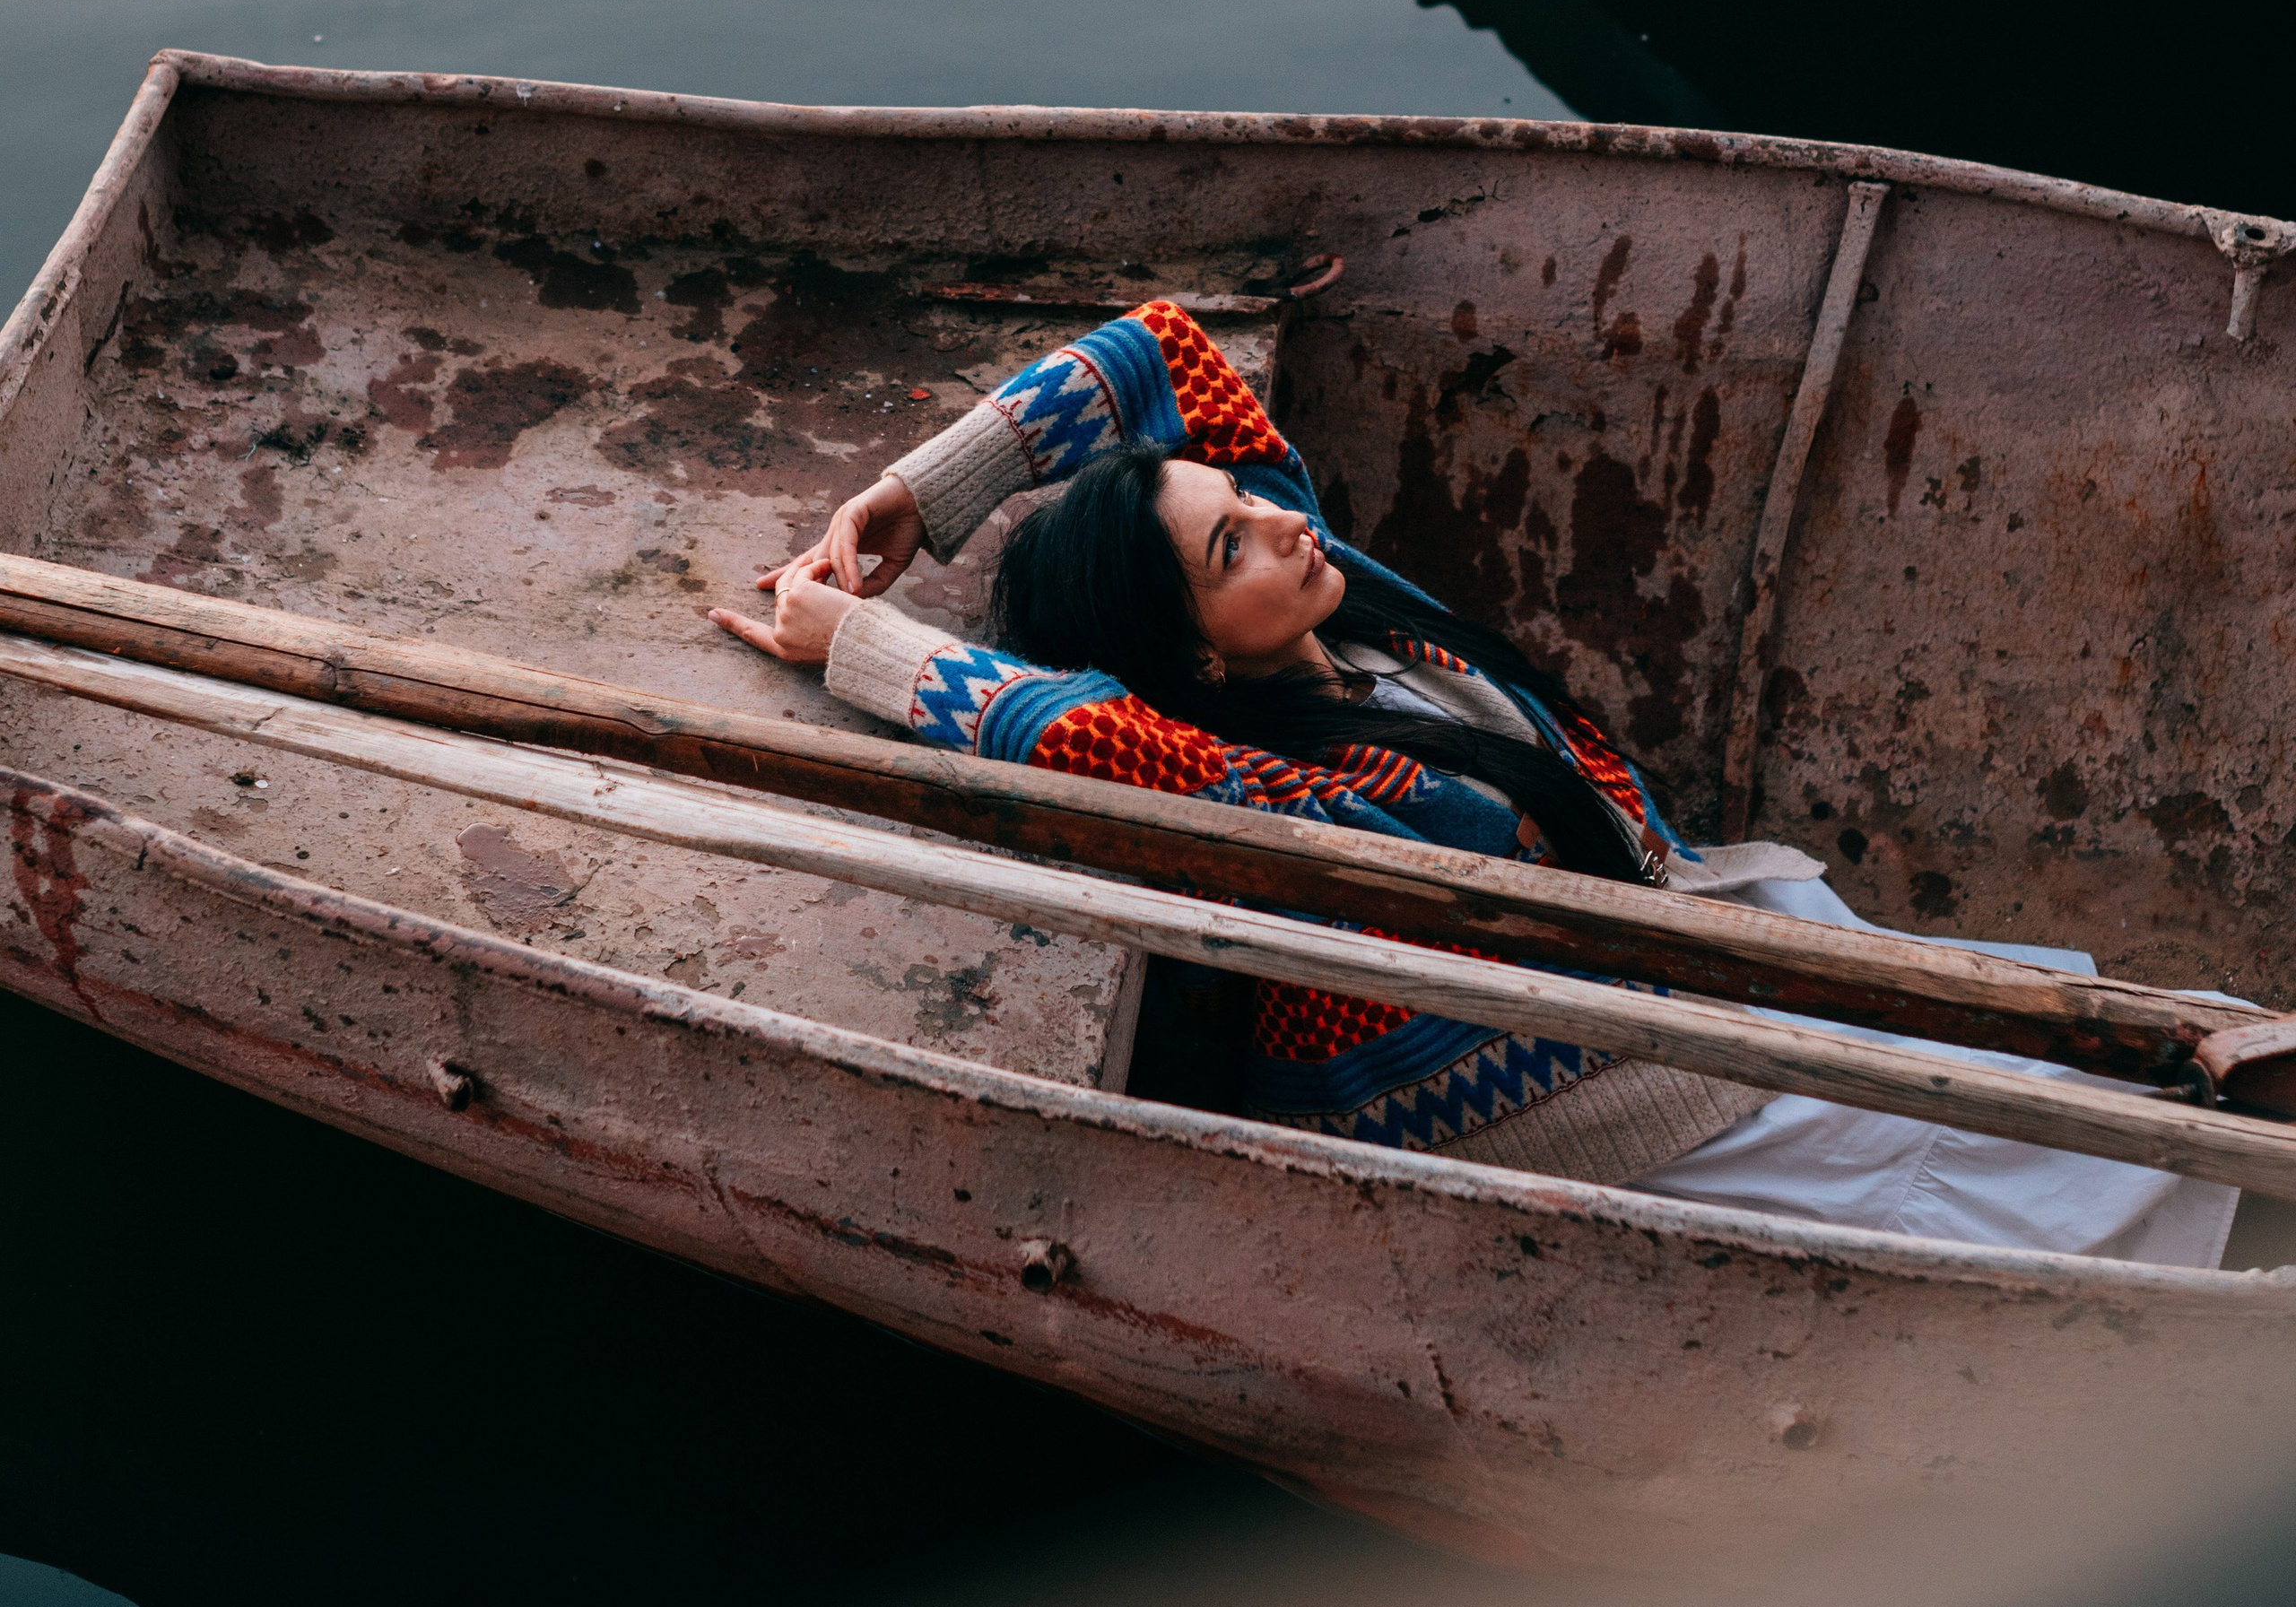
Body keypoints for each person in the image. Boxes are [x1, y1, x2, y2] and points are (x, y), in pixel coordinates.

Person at [713, 299, 2236, 1267]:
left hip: (1691, 964)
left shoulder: (1335, 610)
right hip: (1604, 1095)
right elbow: (1072, 728)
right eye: (1228, 542)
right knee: (2063, 1167)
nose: (1275, 521)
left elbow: (1167, 347)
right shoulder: (1302, 794)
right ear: (1195, 653)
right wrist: (857, 636)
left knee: (2122, 1054)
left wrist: (927, 489)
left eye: (1242, 499)